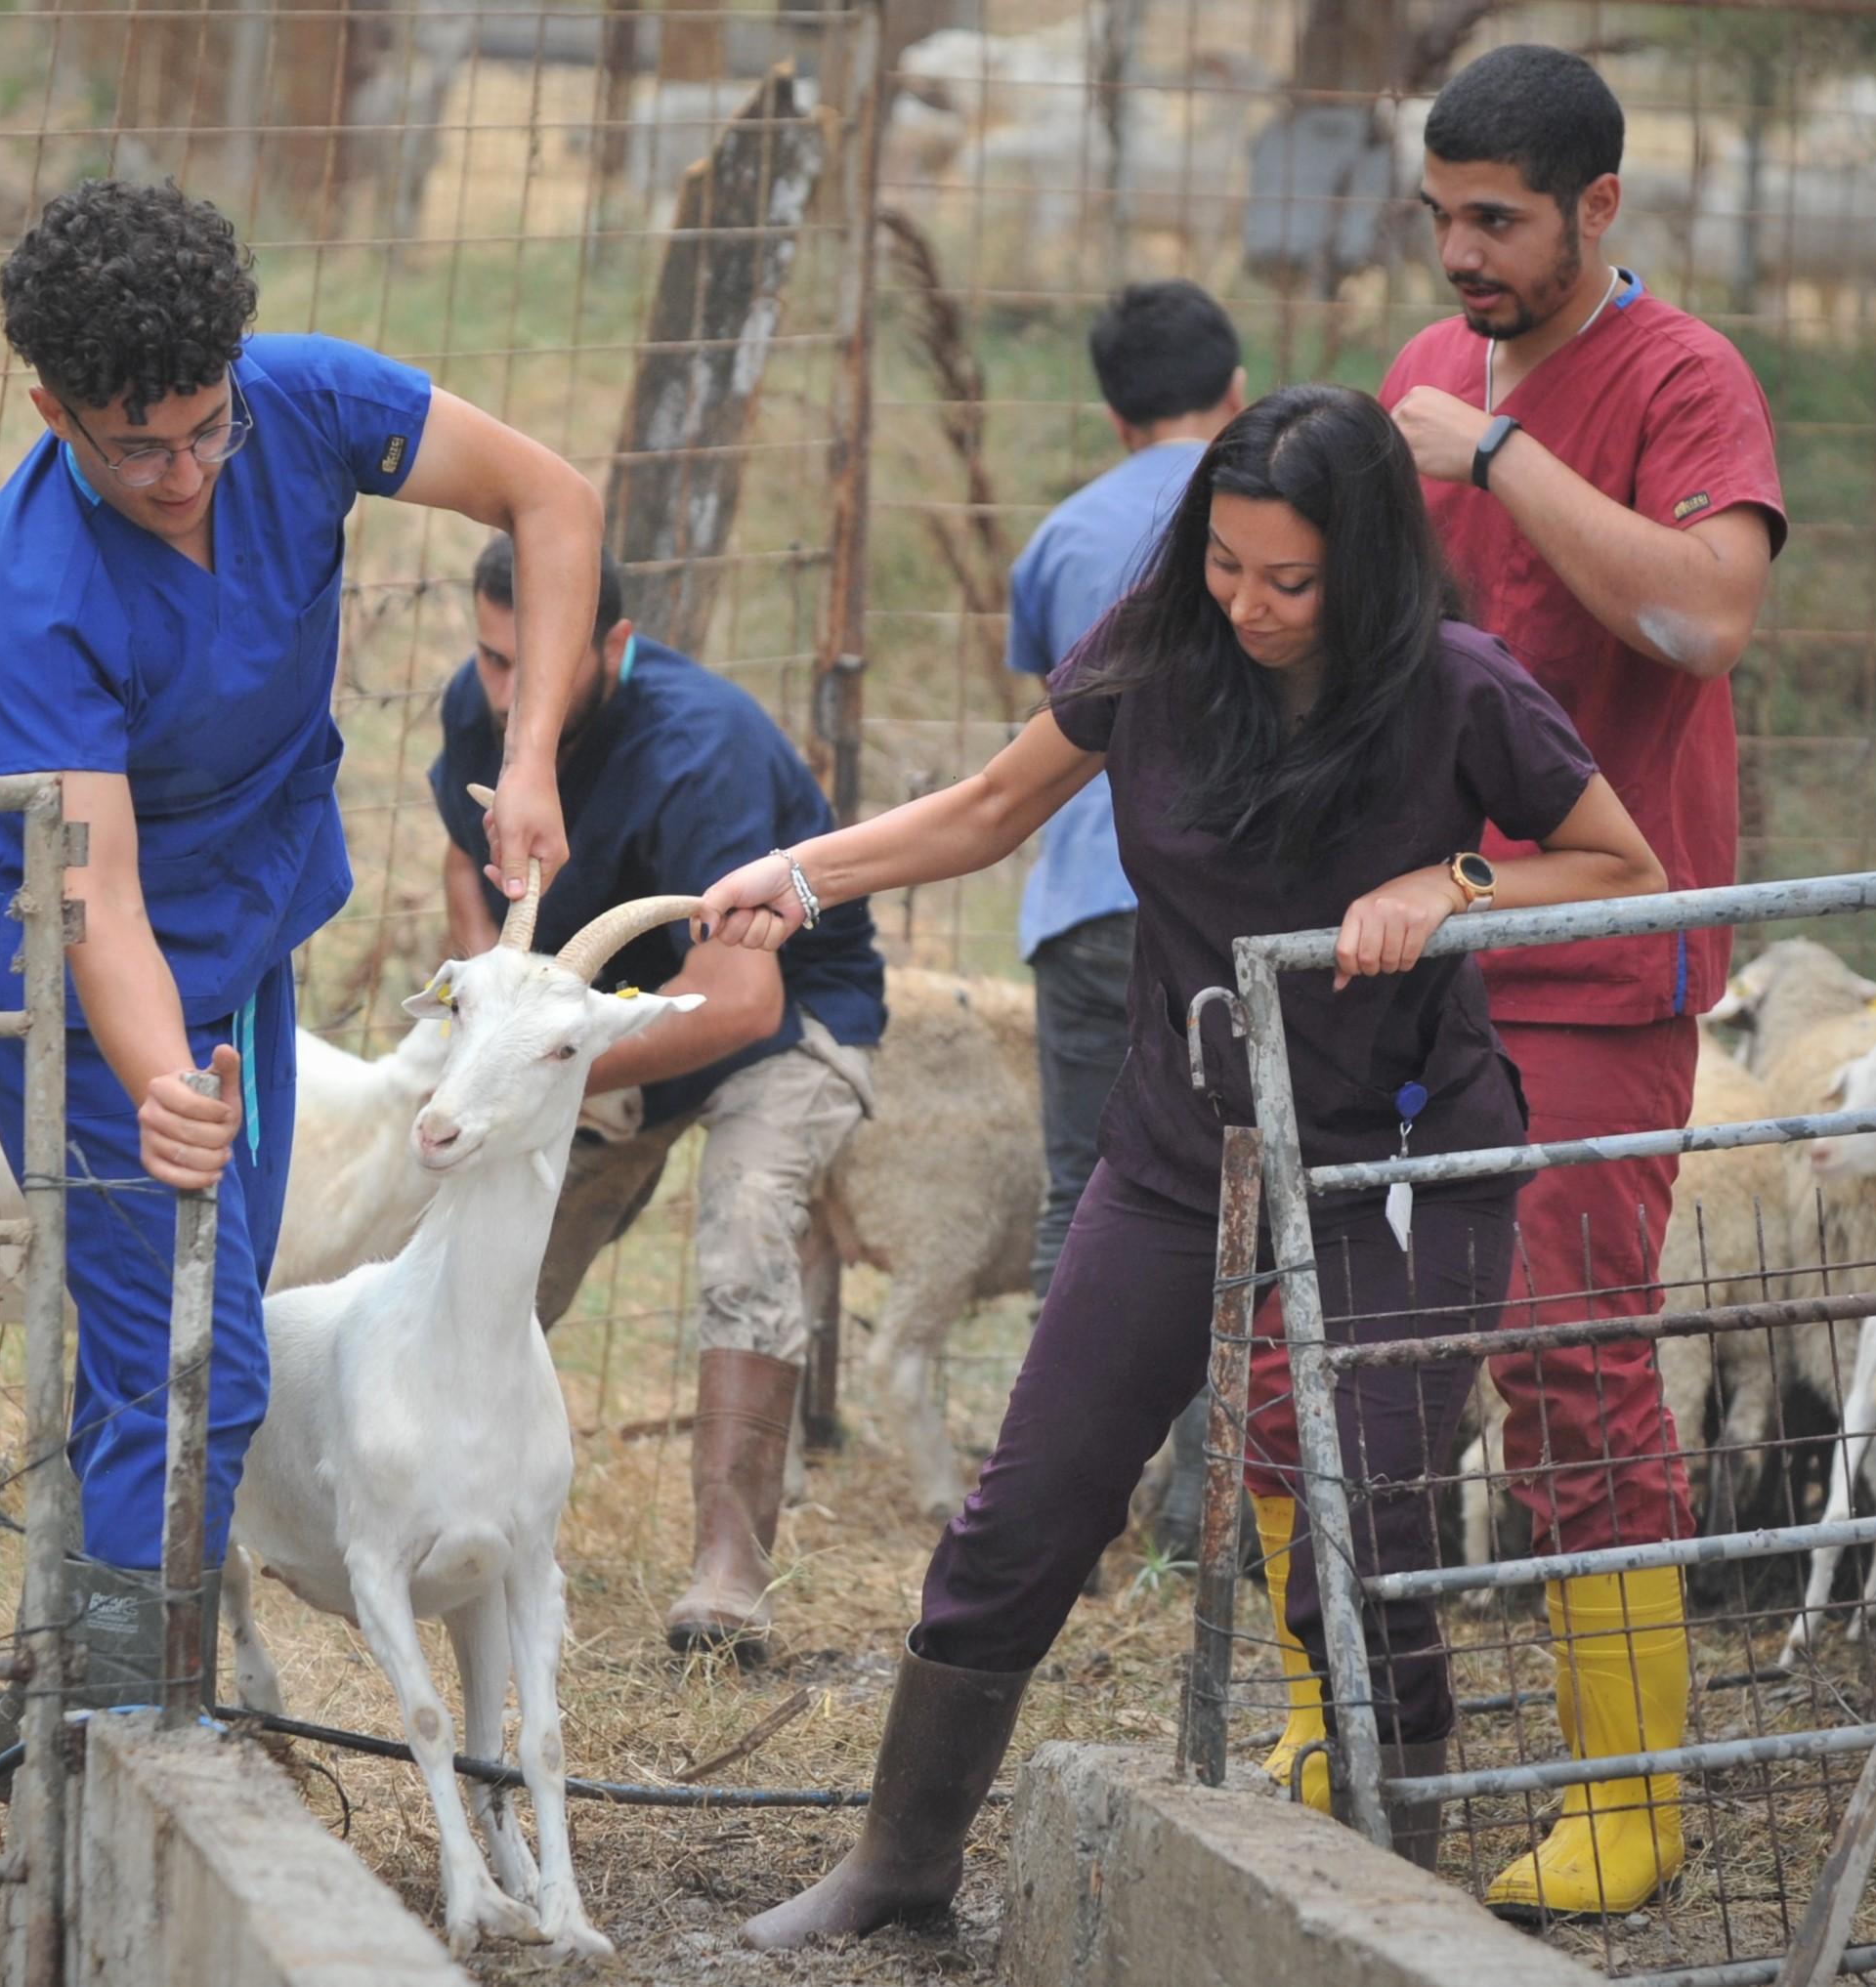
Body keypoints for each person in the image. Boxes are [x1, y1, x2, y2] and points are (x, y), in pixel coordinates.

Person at [694, 385, 1667, 1946]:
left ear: (1365, 567)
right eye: (1227, 564)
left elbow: (1626, 862)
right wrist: (801, 874)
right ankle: (899, 1865)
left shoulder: (1456, 685)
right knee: (1031, 1502)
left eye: (1291, 581)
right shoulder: (1162, 649)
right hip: (1185, 1143)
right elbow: (996, 805)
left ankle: (1388, 1884)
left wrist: (1458, 874)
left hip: (1395, 1157)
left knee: (1374, 1514)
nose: (1252, 605)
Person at [0, 181, 601, 1771]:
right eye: (133, 447)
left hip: (242, 933)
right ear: (52, 411)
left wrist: (527, 758)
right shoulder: (30, 587)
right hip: (71, 971)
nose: (180, 476)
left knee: (200, 1326)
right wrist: (163, 1080)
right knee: (186, 1360)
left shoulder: (299, 403)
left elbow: (551, 497)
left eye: (200, 430)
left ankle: (123, 1679)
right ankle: (116, 1721)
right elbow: (88, 891)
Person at [1243, 46, 1787, 1921]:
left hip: (1582, 945)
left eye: (1498, 219)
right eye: (1440, 216)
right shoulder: (1411, 368)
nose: (1461, 253)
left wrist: (1495, 453)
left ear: (1596, 211)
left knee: (1564, 1359)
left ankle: (1623, 1793)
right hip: (1397, 948)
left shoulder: (1677, 380)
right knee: (1292, 1341)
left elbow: (1702, 616)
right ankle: (1350, 1725)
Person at [428, 536, 884, 1663]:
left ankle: (729, 1571)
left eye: (530, 664)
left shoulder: (700, 749)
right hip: (590, 1030)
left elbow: (736, 999)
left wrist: (541, 1061)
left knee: (742, 1228)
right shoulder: (470, 710)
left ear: (613, 645)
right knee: (493, 1247)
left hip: (781, 1021)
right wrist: (498, 1018)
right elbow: (460, 859)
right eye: (492, 659)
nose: (505, 693)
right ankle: (436, 1514)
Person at [1003, 279, 1242, 1554]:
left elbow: (1053, 721)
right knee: (1231, 1200)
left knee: (1079, 1199)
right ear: (1239, 394)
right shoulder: (1275, 518)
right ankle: (1213, 1515)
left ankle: (1061, 1508)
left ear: (1110, 415)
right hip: (1221, 923)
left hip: (1084, 915)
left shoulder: (1058, 539)